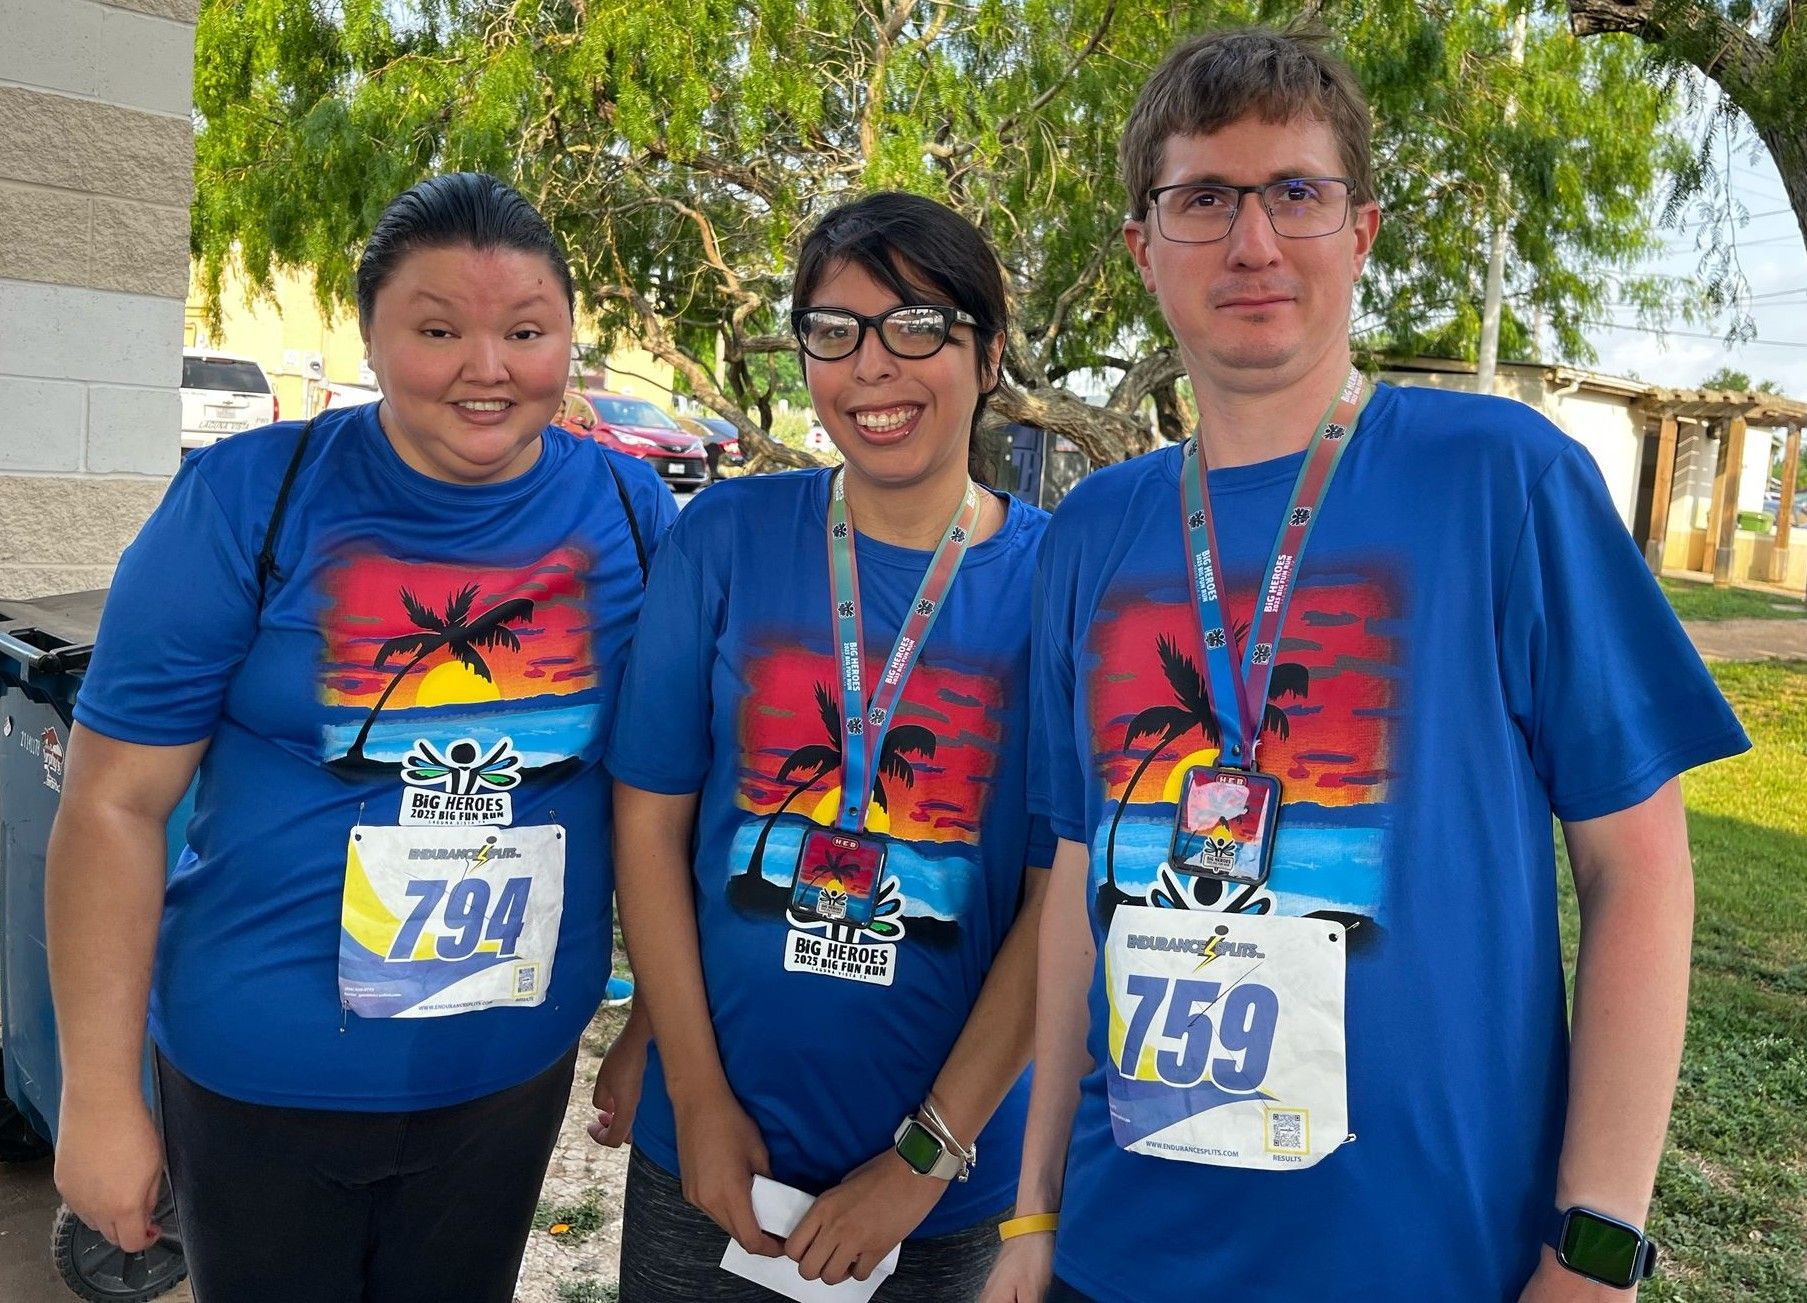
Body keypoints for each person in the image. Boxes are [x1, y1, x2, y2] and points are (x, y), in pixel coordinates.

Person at [983, 26, 1750, 1303]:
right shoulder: (1093, 530)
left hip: (1428, 1259)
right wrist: (1031, 1214)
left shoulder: (1503, 479)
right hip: (1123, 1255)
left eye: (1297, 191)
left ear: (1363, 229)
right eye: (1202, 198)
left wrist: (1597, 1246)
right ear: (1142, 245)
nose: (1252, 241)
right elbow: (1074, 884)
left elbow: (1639, 871)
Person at [47, 172, 676, 1301]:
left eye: (525, 331)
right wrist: (99, 1096)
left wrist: (656, 1030)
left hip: (505, 1071)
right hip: (262, 1072)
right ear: (374, 336)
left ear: (569, 340)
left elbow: (663, 800)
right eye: (438, 330)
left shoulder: (634, 518)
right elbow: (112, 803)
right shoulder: (252, 500)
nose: (487, 368)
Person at [598, 190, 1053, 1300]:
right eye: (833, 330)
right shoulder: (723, 538)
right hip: (706, 1155)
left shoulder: (1061, 578)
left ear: (987, 354)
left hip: (944, 1187)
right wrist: (695, 1096)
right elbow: (651, 824)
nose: (871, 367)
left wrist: (924, 1156)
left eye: (918, 327)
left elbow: (1063, 892)